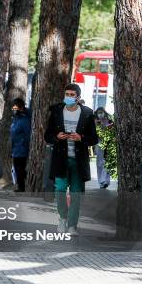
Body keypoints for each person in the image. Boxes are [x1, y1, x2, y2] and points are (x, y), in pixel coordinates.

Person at [44, 83, 98, 235]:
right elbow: (47, 135)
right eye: (66, 94)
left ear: (78, 97)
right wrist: (56, 137)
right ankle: (62, 219)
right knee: (60, 189)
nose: (68, 97)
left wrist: (81, 138)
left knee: (75, 193)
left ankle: (72, 225)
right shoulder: (56, 112)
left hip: (78, 160)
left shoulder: (87, 113)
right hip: (61, 158)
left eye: (71, 95)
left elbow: (94, 139)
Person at [10, 98, 32, 192]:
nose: (14, 109)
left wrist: (25, 146)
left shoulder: (24, 120)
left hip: (22, 149)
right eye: (13, 107)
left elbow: (28, 135)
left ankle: (21, 188)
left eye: (16, 107)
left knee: (20, 169)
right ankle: (20, 186)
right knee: (17, 169)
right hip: (15, 149)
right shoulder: (15, 119)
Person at [94, 107, 113, 189]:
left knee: (107, 162)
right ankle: (101, 181)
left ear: (104, 112)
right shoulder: (95, 121)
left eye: (101, 112)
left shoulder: (109, 120)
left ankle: (106, 180)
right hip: (99, 144)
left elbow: (112, 131)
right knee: (99, 163)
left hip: (108, 144)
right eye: (99, 112)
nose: (100, 114)